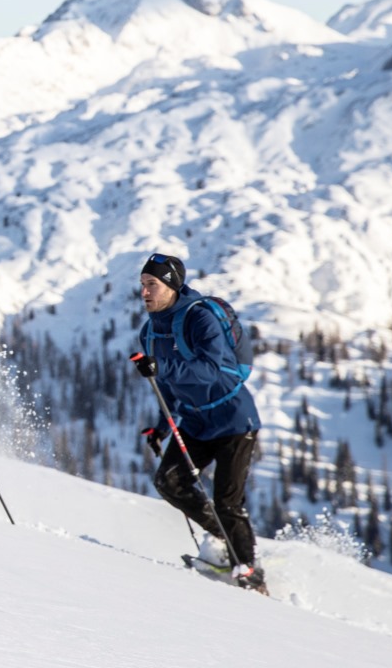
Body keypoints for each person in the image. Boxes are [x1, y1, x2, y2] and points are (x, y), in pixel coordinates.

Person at [137, 253, 266, 592]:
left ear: (172, 286)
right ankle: (224, 542)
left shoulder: (200, 320)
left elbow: (218, 371)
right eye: (142, 285)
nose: (145, 293)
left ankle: (251, 575)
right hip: (195, 422)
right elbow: (166, 387)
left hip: (234, 422)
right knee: (169, 482)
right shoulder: (149, 333)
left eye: (152, 285)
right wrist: (163, 426)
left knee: (227, 502)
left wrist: (163, 367)